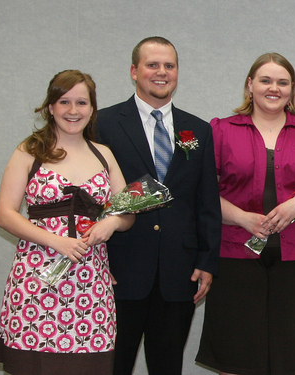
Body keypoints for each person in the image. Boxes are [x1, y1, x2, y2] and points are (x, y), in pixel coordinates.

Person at [194, 53, 295, 374]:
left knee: (292, 358)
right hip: (235, 259)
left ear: (292, 89)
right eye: (265, 80)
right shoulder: (221, 130)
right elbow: (202, 195)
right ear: (250, 85)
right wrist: (241, 217)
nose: (273, 88)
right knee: (236, 355)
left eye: (282, 82)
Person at [0, 70, 135, 374]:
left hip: (91, 283)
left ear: (93, 109)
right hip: (38, 278)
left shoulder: (104, 155)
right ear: (50, 107)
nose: (73, 111)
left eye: (82, 103)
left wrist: (112, 223)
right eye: (64, 101)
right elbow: (5, 214)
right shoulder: (29, 151)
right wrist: (56, 241)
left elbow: (127, 211)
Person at [95, 36, 222, 375]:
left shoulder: (199, 130)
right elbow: (91, 200)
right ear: (134, 71)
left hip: (178, 272)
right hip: (119, 270)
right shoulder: (103, 124)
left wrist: (208, 260)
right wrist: (95, 263)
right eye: (152, 65)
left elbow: (206, 200)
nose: (161, 72)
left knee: (167, 367)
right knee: (113, 365)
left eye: (169, 65)